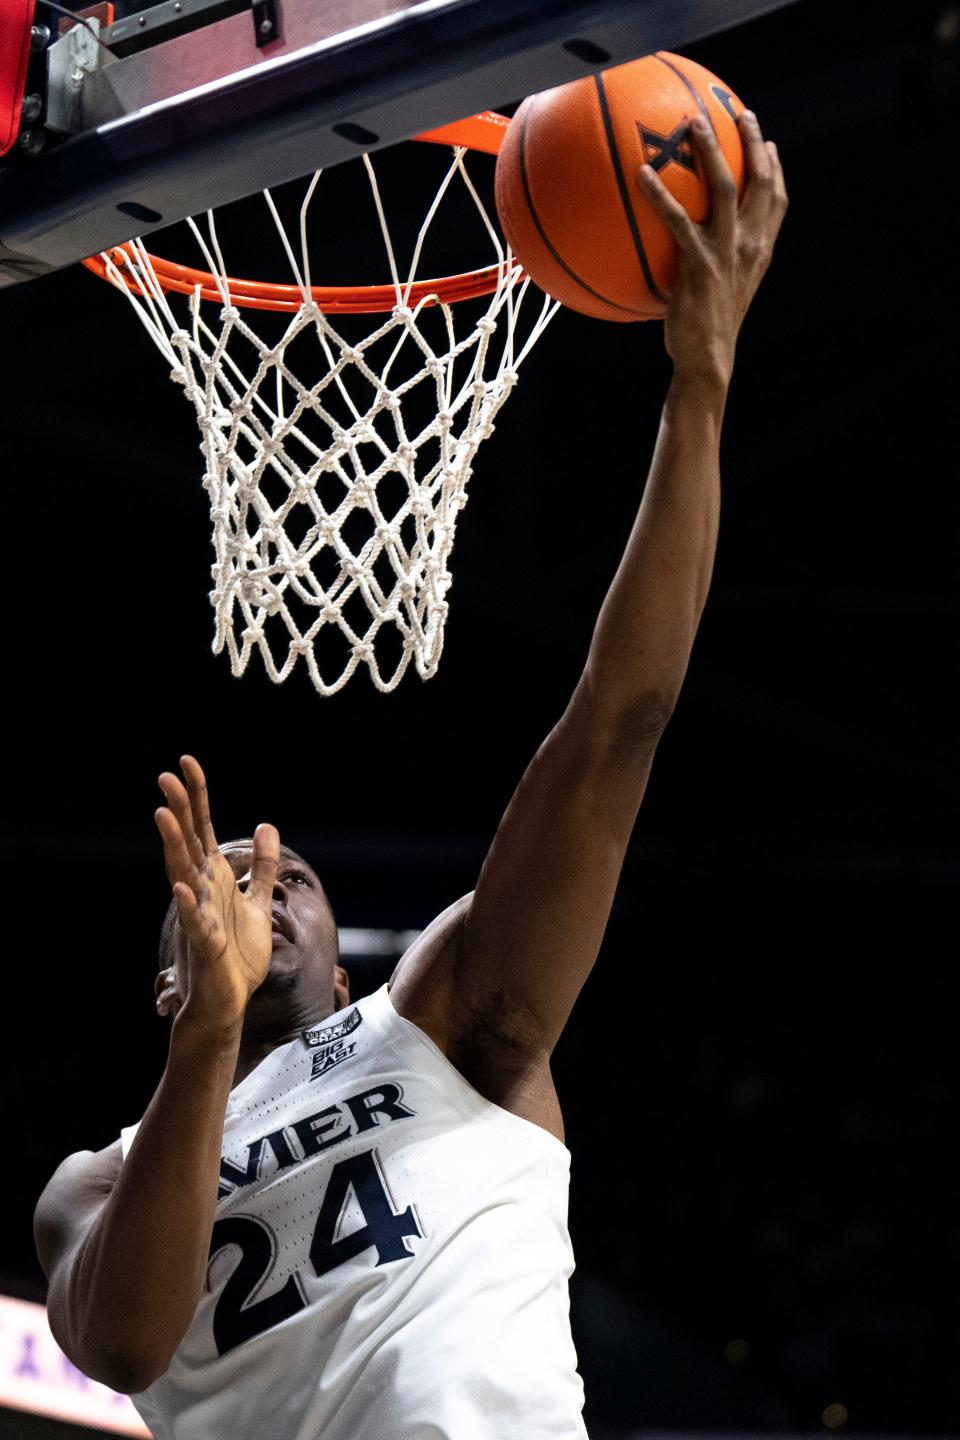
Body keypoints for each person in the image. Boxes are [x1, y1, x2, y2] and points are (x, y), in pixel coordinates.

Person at [33, 110, 787, 1439]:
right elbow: (124, 1341)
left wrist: (701, 384)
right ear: (168, 976)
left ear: (341, 950)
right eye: (219, 888)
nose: (263, 884)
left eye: (291, 881)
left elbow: (617, 726)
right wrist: (209, 1040)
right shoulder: (93, 1185)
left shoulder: (447, 1016)